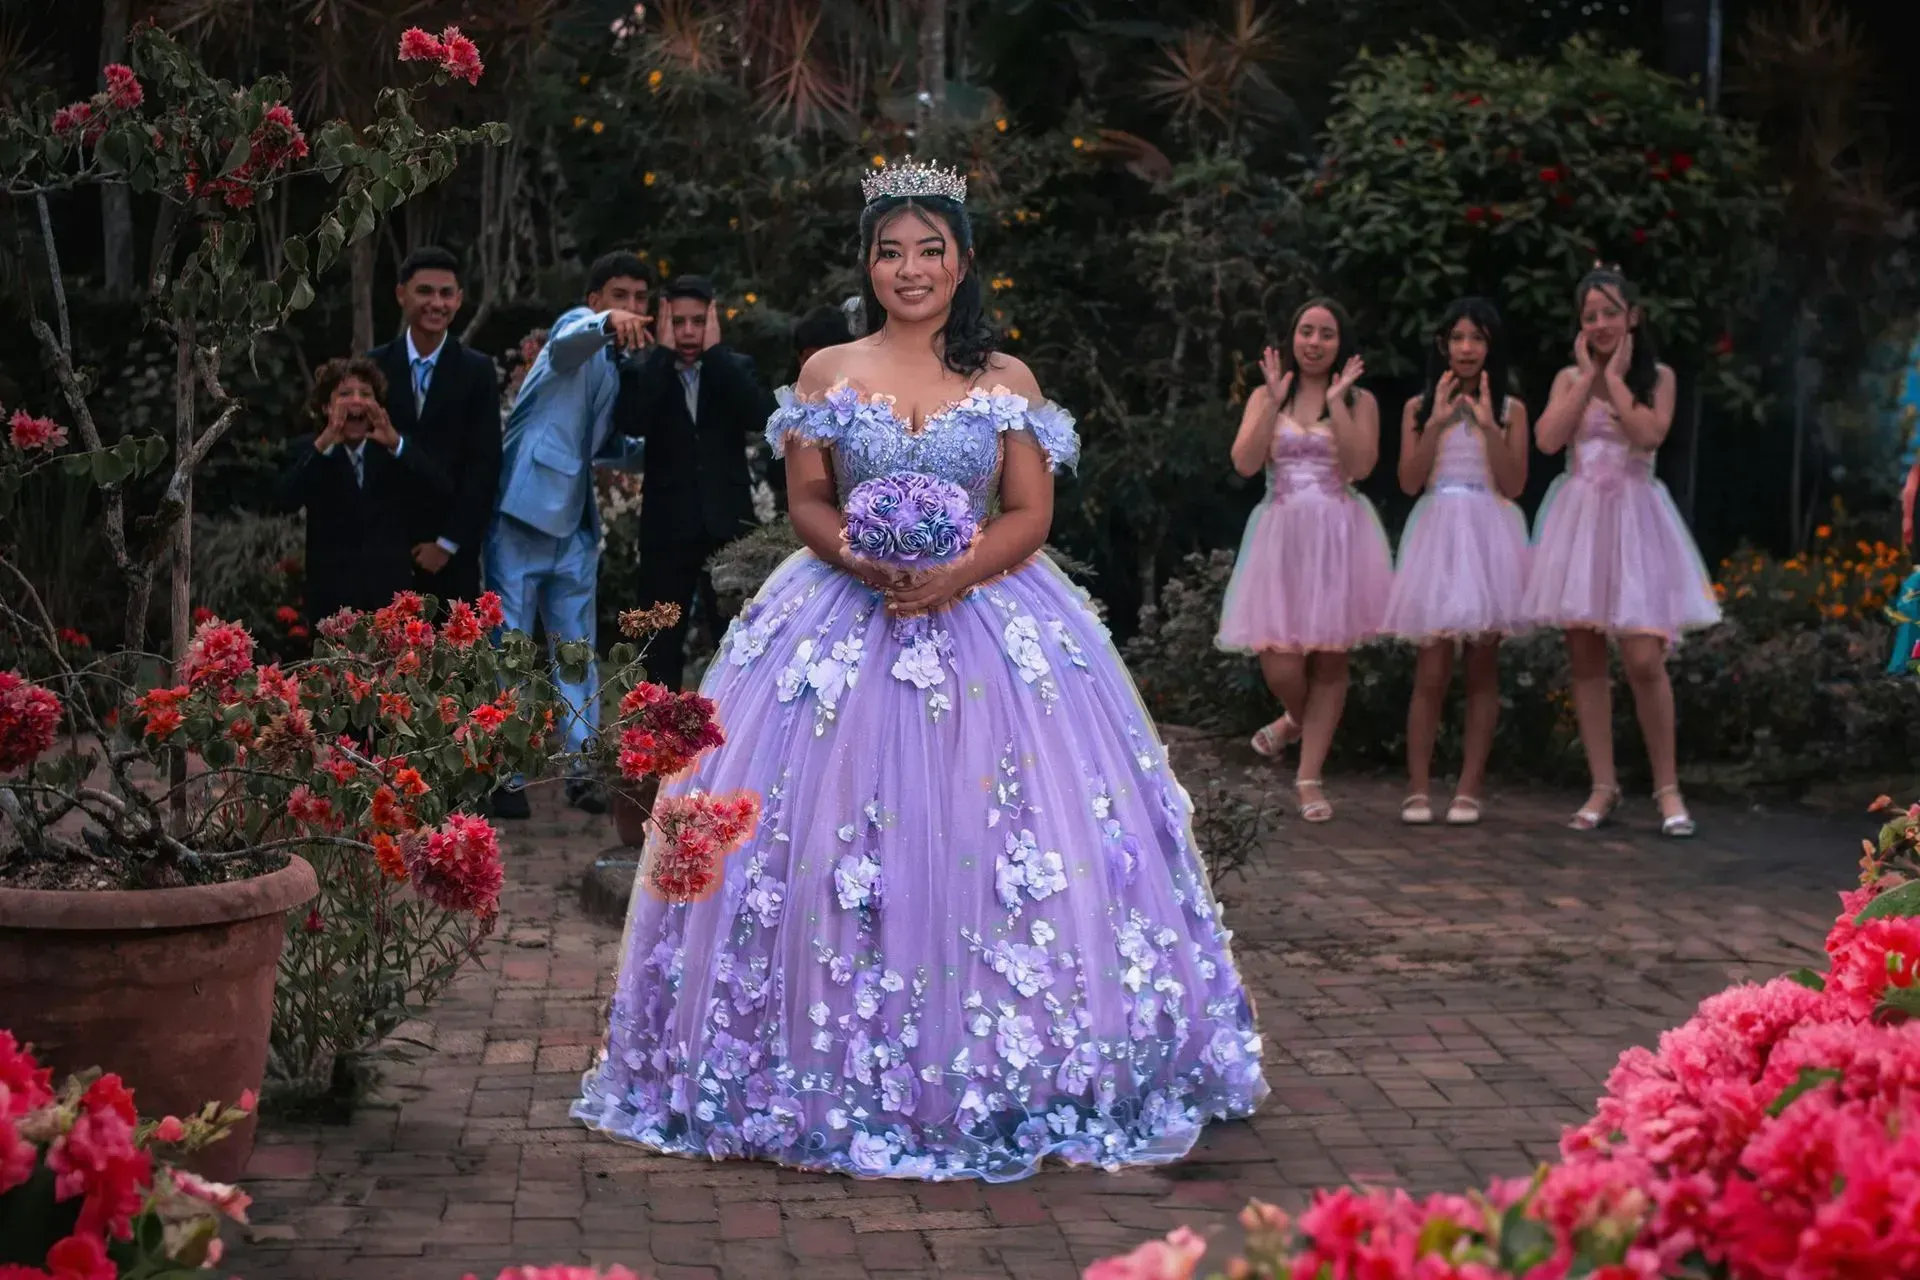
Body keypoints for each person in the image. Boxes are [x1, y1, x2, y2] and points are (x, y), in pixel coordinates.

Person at [572, 159, 1265, 1181]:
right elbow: (808, 500)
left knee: (998, 836)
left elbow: (1030, 513)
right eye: (891, 250)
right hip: (838, 619)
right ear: (868, 262)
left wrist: (953, 573)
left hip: (987, 623)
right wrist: (859, 551)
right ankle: (801, 1058)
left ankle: (1008, 1066)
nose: (911, 268)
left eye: (930, 249)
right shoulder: (826, 371)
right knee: (816, 834)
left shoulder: (1005, 379)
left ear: (964, 260)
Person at [1522, 265, 1720, 836]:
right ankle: (1602, 785)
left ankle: (1667, 789)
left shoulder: (1659, 377)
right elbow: (1547, 438)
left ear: (1632, 316)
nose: (1602, 323)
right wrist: (1588, 378)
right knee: (1586, 657)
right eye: (1591, 315)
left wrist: (1611, 380)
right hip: (1580, 519)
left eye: (1611, 312)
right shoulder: (1568, 377)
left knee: (1642, 657)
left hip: (1636, 519)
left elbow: (1649, 434)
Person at [486, 252, 652, 817]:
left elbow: (601, 445)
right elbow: (567, 342)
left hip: (576, 524)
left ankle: (584, 770)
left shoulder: (621, 362)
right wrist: (604, 323)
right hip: (522, 513)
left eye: (638, 298)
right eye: (619, 295)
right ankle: (501, 771)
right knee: (508, 645)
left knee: (577, 650)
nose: (631, 307)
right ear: (594, 300)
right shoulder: (575, 331)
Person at [1216, 298, 1390, 823]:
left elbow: (1360, 467)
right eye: (1307, 331)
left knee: (1331, 657)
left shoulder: (1360, 400)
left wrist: (1337, 402)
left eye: (1327, 334)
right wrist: (1269, 402)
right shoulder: (1269, 394)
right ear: (1293, 338)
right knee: (1280, 660)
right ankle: (1295, 716)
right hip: (1281, 534)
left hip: (1339, 533)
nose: (1315, 342)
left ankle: (1309, 777)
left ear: (1342, 344)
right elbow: (1245, 463)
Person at [1382, 298, 1530, 826]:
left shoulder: (1511, 410)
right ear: (1443, 345)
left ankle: (1469, 788)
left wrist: (1489, 426)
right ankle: (1417, 787)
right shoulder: (1418, 409)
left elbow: (1514, 483)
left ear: (1491, 346)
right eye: (1458, 338)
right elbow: (1407, 480)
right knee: (1432, 668)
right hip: (1438, 533)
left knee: (1483, 668)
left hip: (1490, 532)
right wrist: (1437, 422)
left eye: (1478, 338)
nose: (1467, 348)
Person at [618, 275, 774, 691]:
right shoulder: (646, 371)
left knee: (737, 637)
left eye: (698, 321)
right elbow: (631, 421)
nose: (688, 332)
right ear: (664, 321)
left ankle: (733, 735)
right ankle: (657, 744)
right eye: (679, 322)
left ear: (713, 320)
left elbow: (760, 415)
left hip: (727, 525)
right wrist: (663, 354)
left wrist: (717, 352)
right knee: (660, 644)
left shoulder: (732, 367)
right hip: (667, 528)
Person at [367, 246, 503, 607]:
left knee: (456, 659)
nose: (436, 303)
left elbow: (484, 467)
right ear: (401, 294)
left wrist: (447, 544)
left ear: (459, 300)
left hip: (452, 557)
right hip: (385, 550)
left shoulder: (478, 372)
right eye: (424, 291)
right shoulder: (373, 367)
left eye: (446, 293)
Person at [278, 357, 451, 624]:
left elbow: (439, 490)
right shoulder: (310, 451)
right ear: (326, 406)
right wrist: (324, 443)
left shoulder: (394, 451)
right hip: (332, 605)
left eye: (365, 394)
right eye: (345, 394)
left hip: (391, 602)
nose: (356, 401)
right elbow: (285, 499)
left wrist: (397, 446)